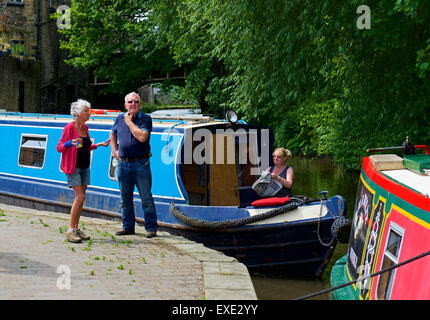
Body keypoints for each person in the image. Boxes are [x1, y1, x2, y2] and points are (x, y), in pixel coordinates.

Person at [57, 99, 110, 243]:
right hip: (73, 167)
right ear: (78, 113)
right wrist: (69, 143)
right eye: (87, 111)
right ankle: (70, 230)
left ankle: (76, 228)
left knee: (82, 199)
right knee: (79, 197)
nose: (89, 113)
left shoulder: (85, 128)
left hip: (85, 166)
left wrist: (98, 145)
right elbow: (59, 147)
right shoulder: (69, 127)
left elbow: (85, 146)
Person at [109, 92, 158, 238]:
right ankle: (128, 227)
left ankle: (151, 228)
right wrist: (114, 151)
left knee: (146, 198)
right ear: (125, 105)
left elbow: (143, 137)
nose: (133, 104)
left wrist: (129, 122)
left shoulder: (146, 119)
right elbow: (112, 134)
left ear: (140, 104)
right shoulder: (119, 118)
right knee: (125, 199)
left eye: (136, 101)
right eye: (130, 102)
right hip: (123, 164)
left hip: (140, 163)